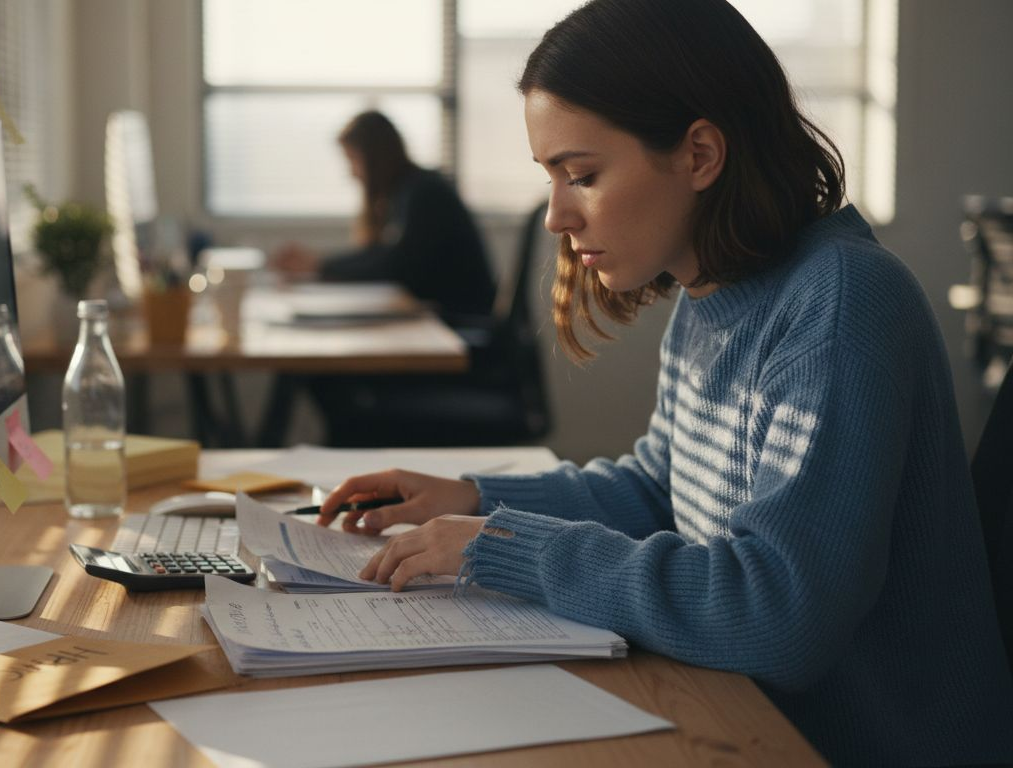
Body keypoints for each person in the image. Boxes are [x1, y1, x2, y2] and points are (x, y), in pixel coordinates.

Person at [315, 0, 1013, 764]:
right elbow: (659, 490)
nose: (555, 216)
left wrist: (510, 547)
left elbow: (780, 611)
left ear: (700, 155)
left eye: (582, 175)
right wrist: (472, 499)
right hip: (750, 715)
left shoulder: (841, 304)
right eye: (551, 178)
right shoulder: (711, 296)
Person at [273, 110, 496, 319]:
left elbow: (395, 266)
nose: (352, 173)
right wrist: (320, 264)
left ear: (374, 158)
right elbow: (379, 254)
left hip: (459, 320)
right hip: (440, 315)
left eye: (353, 160)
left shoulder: (424, 193)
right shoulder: (406, 192)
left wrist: (320, 266)